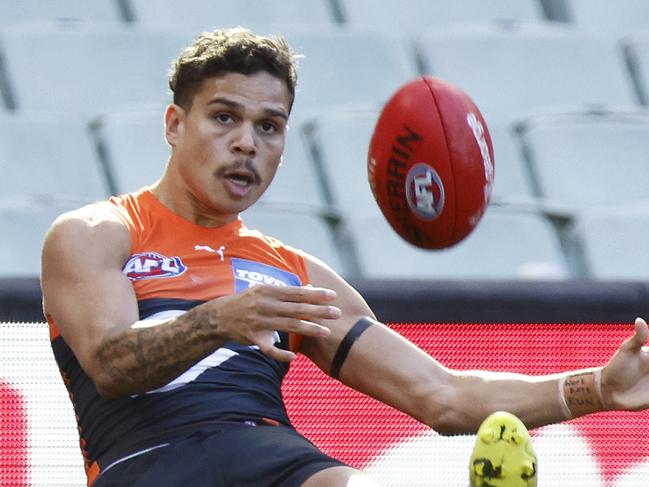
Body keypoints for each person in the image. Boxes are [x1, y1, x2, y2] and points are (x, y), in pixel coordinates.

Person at [40, 27, 649, 487]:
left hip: (269, 458)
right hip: (151, 466)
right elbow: (111, 365)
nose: (247, 143)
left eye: (270, 126)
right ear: (175, 124)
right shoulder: (100, 233)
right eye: (224, 117)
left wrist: (597, 387)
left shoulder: (293, 274)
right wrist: (220, 320)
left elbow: (442, 395)